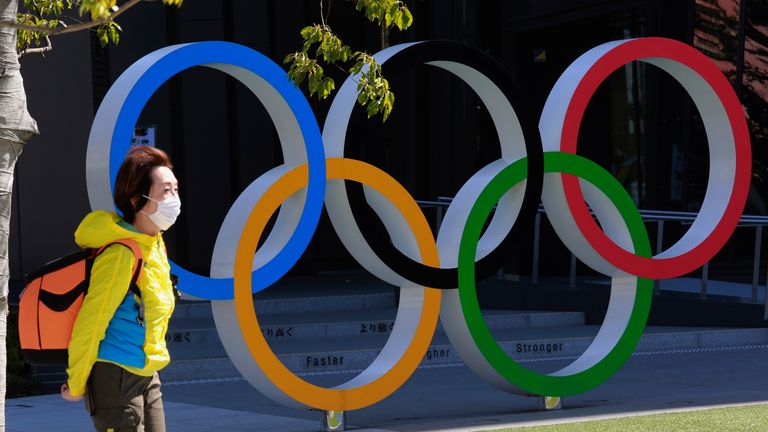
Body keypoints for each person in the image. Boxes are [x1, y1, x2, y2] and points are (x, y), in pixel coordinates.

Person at [60, 145, 180, 432]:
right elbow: (92, 321)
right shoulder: (121, 255)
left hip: (147, 371)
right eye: (166, 191)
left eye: (176, 189)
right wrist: (76, 383)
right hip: (116, 377)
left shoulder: (154, 244)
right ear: (139, 199)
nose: (175, 198)